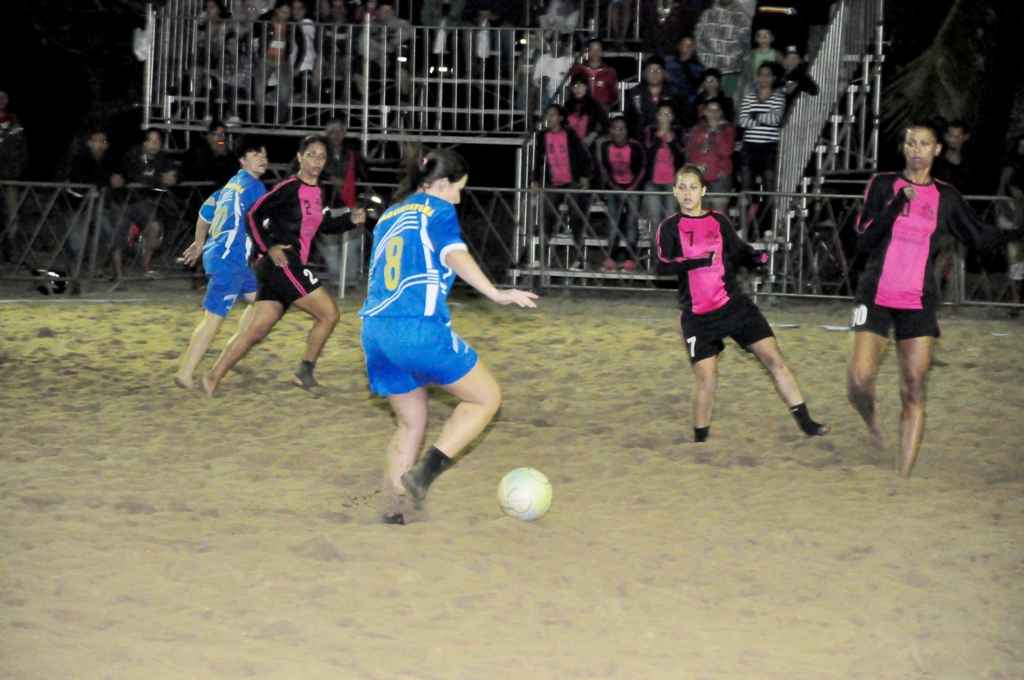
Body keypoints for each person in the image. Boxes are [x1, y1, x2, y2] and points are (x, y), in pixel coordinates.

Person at [359, 149, 538, 523]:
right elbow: (455, 255)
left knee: (410, 422)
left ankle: (394, 507)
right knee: (486, 398)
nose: (458, 198)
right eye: (458, 189)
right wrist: (495, 293)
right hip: (416, 328)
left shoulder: (389, 215)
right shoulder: (437, 210)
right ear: (440, 185)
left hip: (375, 331)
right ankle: (424, 474)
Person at [847, 123, 1023, 478]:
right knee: (859, 381)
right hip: (876, 293)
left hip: (918, 299)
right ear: (904, 148)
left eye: (924, 143)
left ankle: (903, 475)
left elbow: (981, 237)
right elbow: (862, 239)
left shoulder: (947, 197)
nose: (916, 149)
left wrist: (1018, 232)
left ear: (937, 150)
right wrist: (896, 204)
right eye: (911, 142)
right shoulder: (882, 184)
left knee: (913, 385)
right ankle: (873, 423)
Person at [656, 164, 829, 443]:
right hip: (698, 316)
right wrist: (697, 262)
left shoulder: (718, 221)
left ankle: (807, 424)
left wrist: (755, 258)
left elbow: (737, 250)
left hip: (734, 306)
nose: (687, 193)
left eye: (692, 187)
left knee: (774, 358)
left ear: (703, 191)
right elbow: (661, 269)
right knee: (707, 378)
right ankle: (700, 439)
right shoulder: (670, 228)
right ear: (675, 192)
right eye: (682, 187)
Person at [202, 135, 367, 396]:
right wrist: (270, 247)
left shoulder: (317, 192)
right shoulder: (289, 187)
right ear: (300, 157)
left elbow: (320, 227)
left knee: (256, 331)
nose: (316, 160)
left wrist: (350, 221)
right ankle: (304, 372)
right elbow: (253, 215)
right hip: (283, 263)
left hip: (281, 268)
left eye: (321, 156)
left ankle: (212, 377)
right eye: (311, 154)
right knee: (329, 314)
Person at [175, 137, 269, 389]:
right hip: (230, 259)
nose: (262, 158)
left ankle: (233, 354)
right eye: (256, 154)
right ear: (242, 160)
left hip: (221, 255)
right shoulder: (256, 188)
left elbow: (204, 214)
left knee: (261, 303)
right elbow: (265, 224)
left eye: (264, 155)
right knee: (213, 319)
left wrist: (198, 243)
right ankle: (185, 372)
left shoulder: (229, 186)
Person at [531, 103, 593, 270]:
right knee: (546, 216)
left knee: (576, 216)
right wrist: (535, 179)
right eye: (547, 115)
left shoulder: (570, 134)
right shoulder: (542, 136)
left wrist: (585, 177)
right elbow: (537, 159)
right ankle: (541, 258)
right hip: (554, 182)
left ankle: (579, 259)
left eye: (553, 115)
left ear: (560, 118)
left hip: (571, 181)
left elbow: (583, 156)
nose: (549, 118)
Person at [596, 115, 647, 271]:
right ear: (610, 131)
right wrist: (613, 186)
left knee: (631, 222)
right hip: (614, 187)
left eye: (622, 129)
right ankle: (611, 256)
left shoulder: (635, 146)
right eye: (615, 129)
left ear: (627, 131)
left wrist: (632, 187)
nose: (618, 132)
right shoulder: (605, 146)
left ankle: (631, 258)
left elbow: (642, 168)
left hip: (633, 187)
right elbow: (604, 169)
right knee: (613, 222)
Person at [737, 62, 785, 195]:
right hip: (749, 146)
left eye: (768, 75)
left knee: (769, 182)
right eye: (761, 75)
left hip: (769, 146)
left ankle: (769, 214)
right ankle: (747, 214)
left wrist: (755, 116)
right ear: (757, 77)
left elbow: (776, 120)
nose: (764, 78)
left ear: (774, 78)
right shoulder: (749, 97)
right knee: (746, 182)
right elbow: (742, 121)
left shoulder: (778, 97)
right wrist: (764, 120)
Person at [642, 101, 687, 232]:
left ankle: (670, 251)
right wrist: (659, 136)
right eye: (662, 114)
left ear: (672, 117)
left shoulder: (678, 132)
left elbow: (681, 155)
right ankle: (656, 252)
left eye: (668, 114)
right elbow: (647, 153)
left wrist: (671, 139)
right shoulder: (650, 131)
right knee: (655, 220)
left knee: (671, 218)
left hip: (672, 183)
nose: (664, 117)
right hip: (653, 182)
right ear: (657, 116)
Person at [685, 96, 736, 213]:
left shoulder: (727, 129)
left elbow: (726, 151)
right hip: (701, 177)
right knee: (700, 214)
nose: (713, 113)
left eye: (716, 110)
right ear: (705, 112)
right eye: (710, 110)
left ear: (721, 112)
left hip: (720, 178)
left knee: (718, 215)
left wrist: (716, 131)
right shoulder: (697, 129)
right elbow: (691, 152)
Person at [569, 38, 619, 112]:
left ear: (602, 52)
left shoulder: (610, 72)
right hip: (581, 112)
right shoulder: (578, 69)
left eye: (598, 50)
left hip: (601, 112)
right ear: (588, 51)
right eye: (592, 49)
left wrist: (607, 106)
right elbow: (572, 91)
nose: (595, 53)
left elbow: (614, 96)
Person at [563, 73, 608, 151]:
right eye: (575, 86)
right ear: (571, 88)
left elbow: (605, 124)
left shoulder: (594, 104)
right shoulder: (567, 105)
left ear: (586, 88)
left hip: (589, 145)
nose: (578, 89)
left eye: (581, 85)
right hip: (570, 146)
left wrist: (593, 135)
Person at [781, 45, 819, 114]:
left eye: (794, 58)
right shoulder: (775, 73)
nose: (791, 61)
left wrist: (798, 82)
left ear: (798, 60)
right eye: (789, 58)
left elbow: (814, 90)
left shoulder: (800, 76)